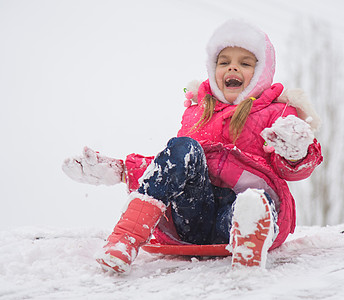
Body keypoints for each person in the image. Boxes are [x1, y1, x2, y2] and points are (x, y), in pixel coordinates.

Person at [62, 19, 323, 274]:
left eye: (245, 63)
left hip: (237, 212)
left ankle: (250, 235)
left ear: (262, 71)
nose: (233, 69)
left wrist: (296, 152)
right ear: (212, 68)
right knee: (182, 147)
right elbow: (173, 166)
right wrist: (120, 170)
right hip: (194, 214)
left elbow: (293, 171)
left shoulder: (278, 113)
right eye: (224, 62)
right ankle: (125, 239)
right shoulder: (197, 111)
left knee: (252, 201)